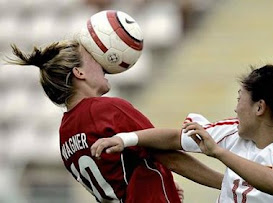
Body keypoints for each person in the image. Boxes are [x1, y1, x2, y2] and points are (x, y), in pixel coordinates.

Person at [91, 43, 273, 202]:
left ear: (259, 107)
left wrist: (218, 153)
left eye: (240, 99)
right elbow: (173, 139)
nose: (236, 108)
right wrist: (125, 138)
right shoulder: (232, 133)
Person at [7, 40, 224, 203]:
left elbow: (120, 176)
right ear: (79, 72)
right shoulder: (105, 109)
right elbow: (169, 155)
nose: (102, 62)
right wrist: (230, 183)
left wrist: (160, 182)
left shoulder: (65, 133)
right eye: (93, 58)